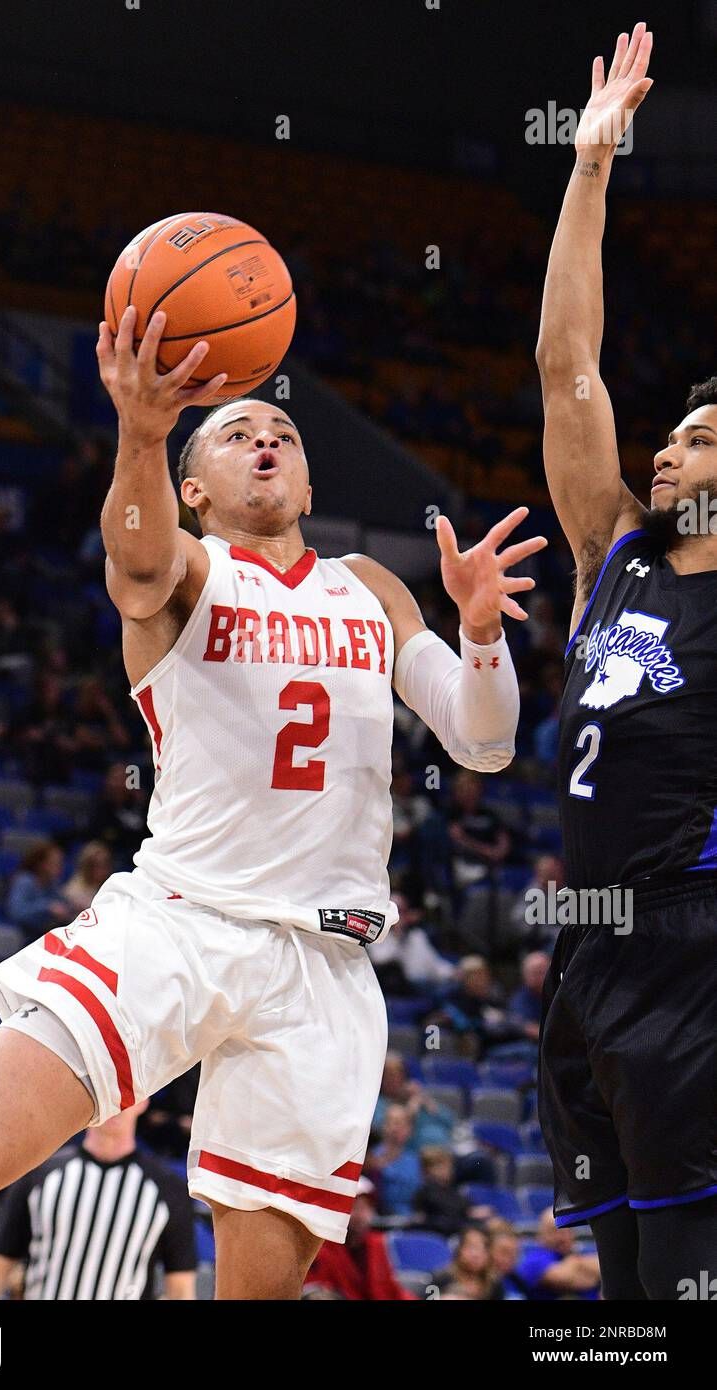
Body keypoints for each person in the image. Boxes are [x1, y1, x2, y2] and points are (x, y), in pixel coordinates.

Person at [0, 303, 544, 1297]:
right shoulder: (186, 567)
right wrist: (139, 425)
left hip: (322, 966)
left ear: (307, 479)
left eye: (285, 434)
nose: (266, 438)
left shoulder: (372, 588)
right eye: (235, 431)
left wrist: (480, 632)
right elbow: (134, 562)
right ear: (192, 487)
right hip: (177, 923)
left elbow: (481, 738)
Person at [536, 23, 717, 1299]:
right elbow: (569, 367)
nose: (668, 451)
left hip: (696, 944)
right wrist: (590, 168)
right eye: (671, 435)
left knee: (681, 1278)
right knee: (616, 1290)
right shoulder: (616, 552)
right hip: (587, 949)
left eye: (701, 441)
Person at [0, 1101, 196, 1301]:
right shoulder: (39, 1176)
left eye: (126, 1089)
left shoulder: (168, 1190)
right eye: (106, 1088)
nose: (115, 1101)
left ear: (144, 1100)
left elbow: (181, 1288)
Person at [304, 1179, 416, 1301]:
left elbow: (393, 1290)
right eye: (354, 1207)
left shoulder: (377, 1244)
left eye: (366, 1207)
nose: (361, 1215)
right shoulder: (321, 1249)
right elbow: (317, 1292)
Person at [516, 1210, 601, 1302]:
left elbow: (607, 1269)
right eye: (554, 1231)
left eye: (567, 1231)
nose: (562, 1237)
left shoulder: (578, 1255)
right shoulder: (534, 1260)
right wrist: (589, 1271)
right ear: (541, 1235)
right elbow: (565, 1279)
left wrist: (575, 1262)